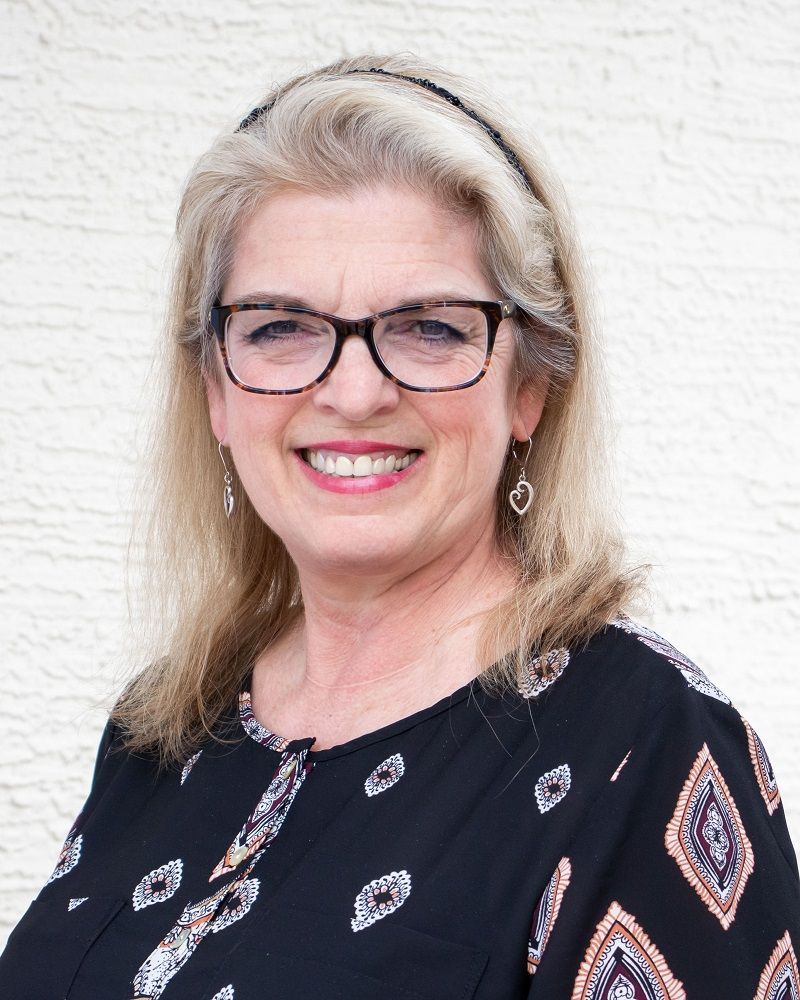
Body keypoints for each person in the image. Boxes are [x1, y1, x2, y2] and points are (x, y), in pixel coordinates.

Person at [1, 53, 798, 1000]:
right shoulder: (162, 731)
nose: (352, 391)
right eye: (279, 326)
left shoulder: (640, 745)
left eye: (430, 328)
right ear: (215, 389)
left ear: (530, 386)